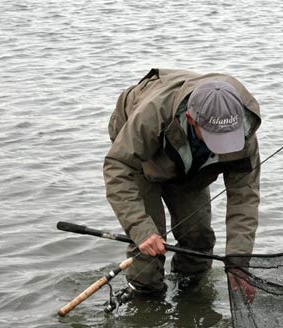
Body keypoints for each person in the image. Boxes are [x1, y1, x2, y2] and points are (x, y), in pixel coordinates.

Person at [104, 68, 261, 298]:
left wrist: (238, 262)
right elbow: (117, 166)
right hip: (138, 155)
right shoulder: (152, 114)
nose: (222, 146)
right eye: (214, 137)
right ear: (190, 119)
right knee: (149, 246)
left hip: (190, 164)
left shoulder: (242, 132)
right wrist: (140, 229)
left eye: (226, 138)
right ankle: (145, 298)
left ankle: (190, 300)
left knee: (198, 239)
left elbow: (244, 198)